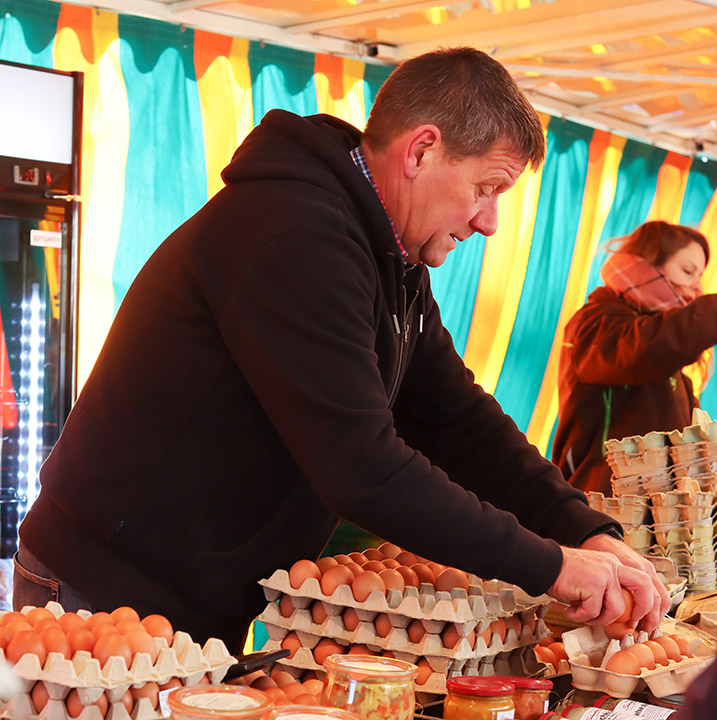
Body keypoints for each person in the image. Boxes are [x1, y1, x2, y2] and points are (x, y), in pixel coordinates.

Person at [14, 47, 669, 653]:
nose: (489, 221)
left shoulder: (391, 256)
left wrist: (584, 529)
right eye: (487, 187)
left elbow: (457, 418)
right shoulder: (294, 235)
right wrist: (550, 565)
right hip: (98, 590)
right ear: (420, 151)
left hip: (190, 594)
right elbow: (364, 469)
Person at [552, 220, 715, 496]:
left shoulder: (676, 374)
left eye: (700, 276)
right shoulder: (598, 323)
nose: (697, 287)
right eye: (688, 271)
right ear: (648, 264)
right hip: (603, 504)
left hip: (659, 520)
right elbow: (645, 349)